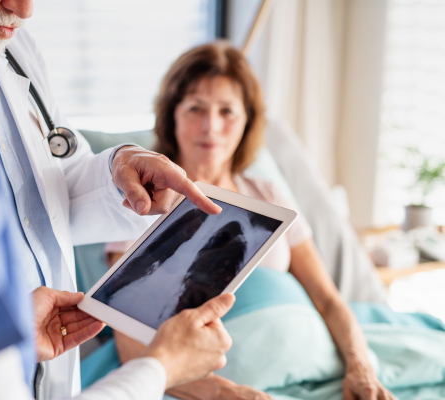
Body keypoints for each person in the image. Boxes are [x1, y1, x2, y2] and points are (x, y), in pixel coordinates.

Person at [0, 0, 236, 398]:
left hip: (41, 345)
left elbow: (43, 190)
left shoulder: (14, 48)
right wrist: (159, 369)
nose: (24, 10)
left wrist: (119, 169)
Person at [105, 41, 395, 400]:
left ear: (247, 121)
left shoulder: (269, 194)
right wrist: (226, 393)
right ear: (172, 115)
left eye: (227, 111)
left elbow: (329, 299)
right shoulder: (142, 198)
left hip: (314, 369)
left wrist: (360, 366)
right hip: (206, 385)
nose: (211, 126)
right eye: (196, 108)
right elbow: (129, 341)